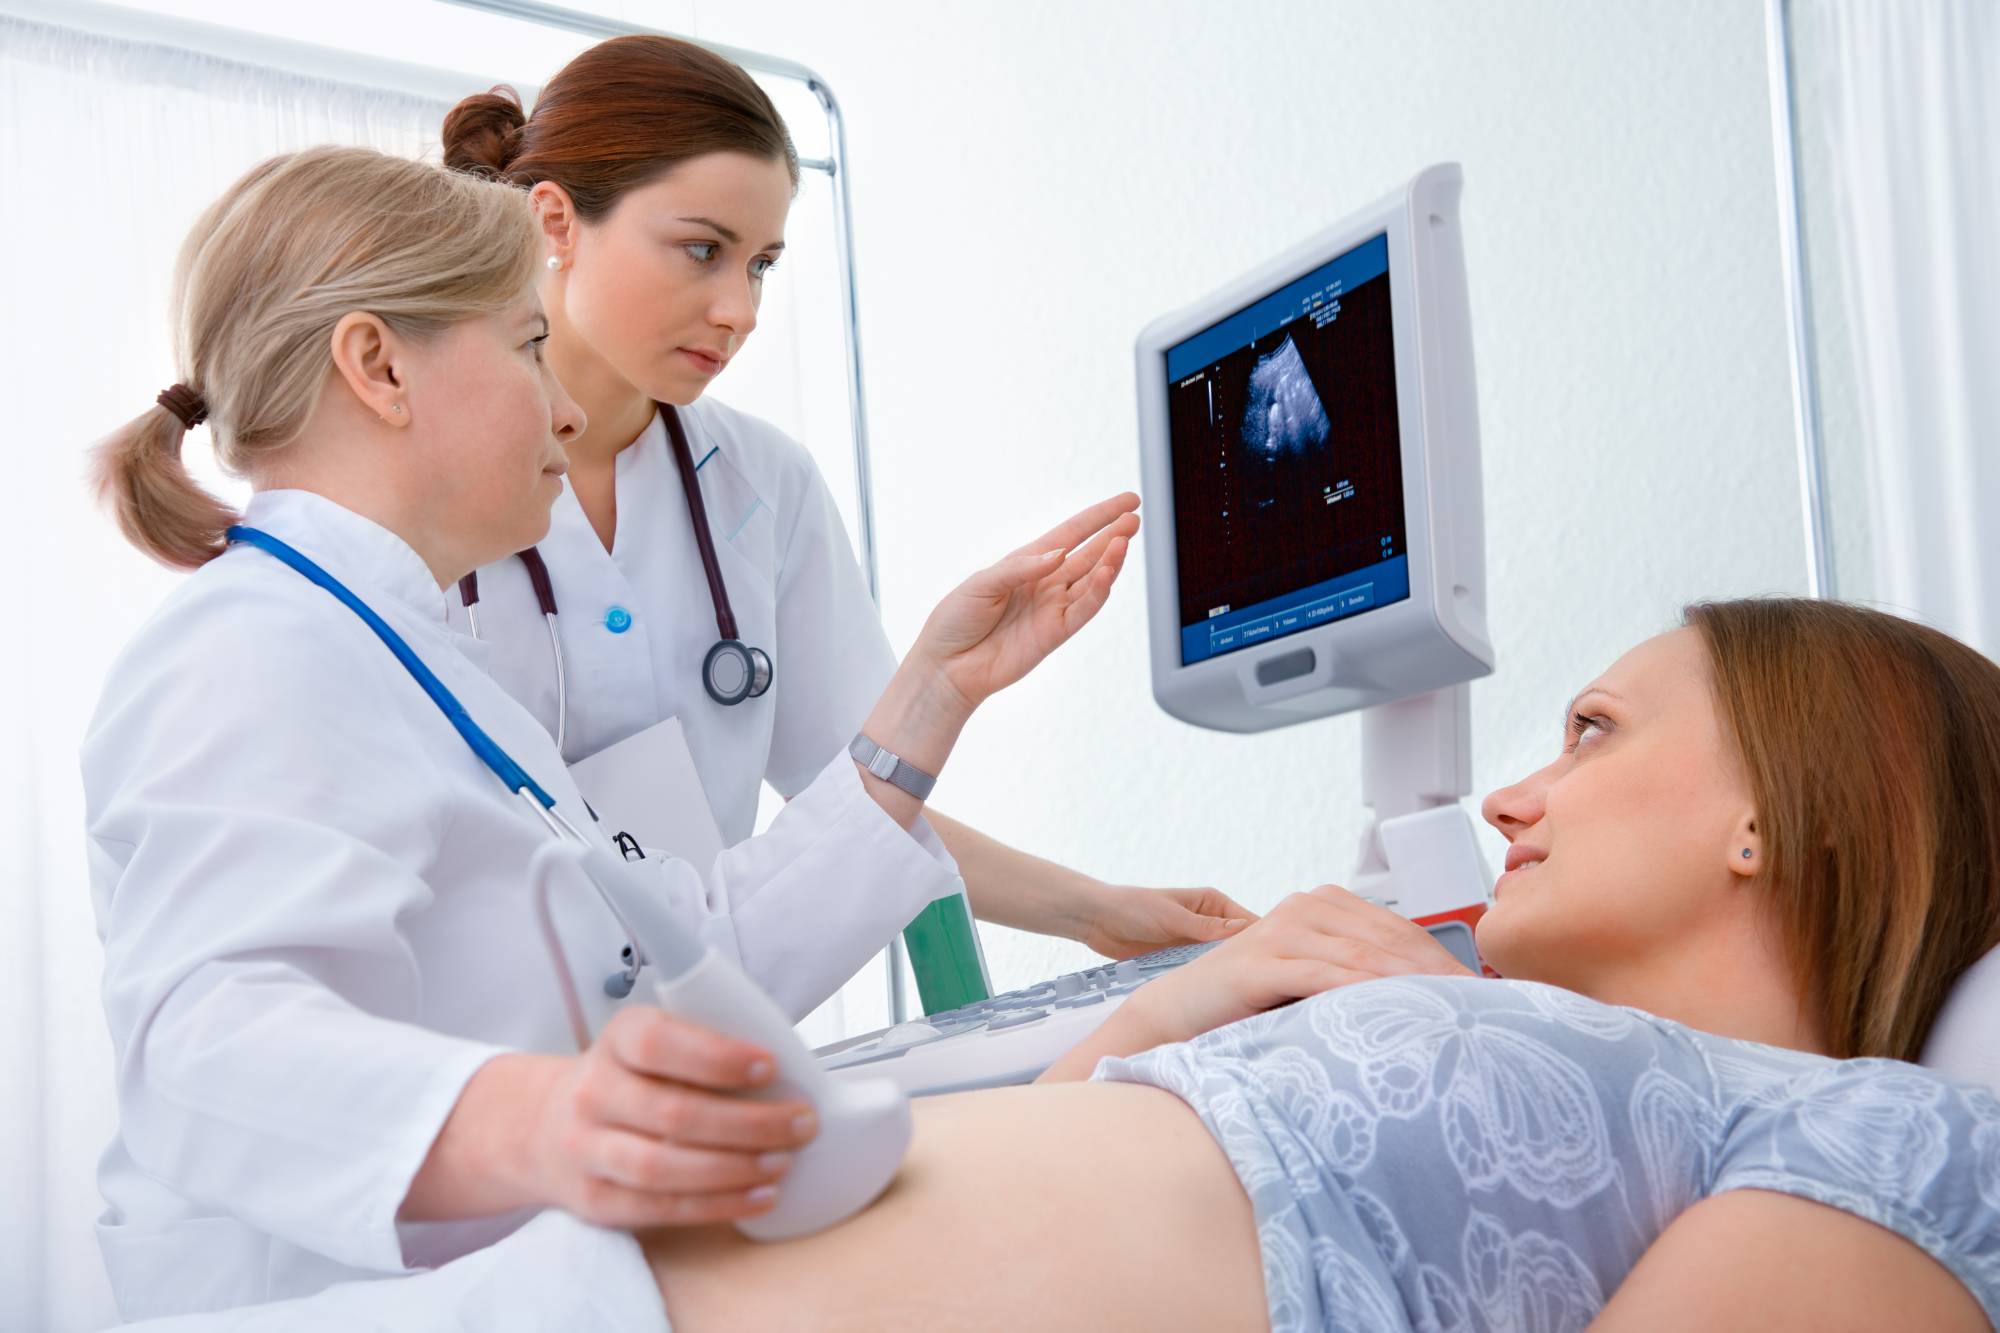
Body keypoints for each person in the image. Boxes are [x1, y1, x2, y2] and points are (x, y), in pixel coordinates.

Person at [116, 589, 2000, 1330]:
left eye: (1591, 730)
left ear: (1794, 798)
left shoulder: (1884, 1137)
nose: (1513, 790)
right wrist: (1174, 1004)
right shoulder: (1493, 1017)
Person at [81, 145, 1142, 1323]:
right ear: (379, 366)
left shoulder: (419, 659)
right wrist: (556, 1120)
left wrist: (929, 702)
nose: (571, 404)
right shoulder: (251, 647)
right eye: (530, 345)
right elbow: (208, 1048)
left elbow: (671, 960)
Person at [435, 34, 1254, 992]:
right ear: (557, 220)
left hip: (703, 1035)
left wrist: (1099, 913)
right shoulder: (422, 466)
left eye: (762, 266)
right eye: (702, 250)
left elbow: (871, 795)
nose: (739, 309)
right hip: (482, 1058)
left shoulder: (760, 487)